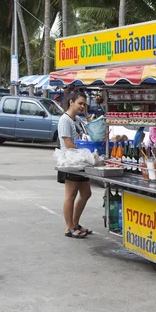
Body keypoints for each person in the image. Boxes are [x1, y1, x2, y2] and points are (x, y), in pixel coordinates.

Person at [57, 92, 93, 238]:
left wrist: (86, 113)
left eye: (84, 104)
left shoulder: (77, 119)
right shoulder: (65, 120)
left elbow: (90, 129)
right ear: (71, 102)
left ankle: (75, 223)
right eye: (80, 103)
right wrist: (86, 150)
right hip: (70, 162)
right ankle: (69, 228)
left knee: (86, 193)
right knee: (70, 195)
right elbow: (69, 144)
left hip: (80, 161)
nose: (82, 106)